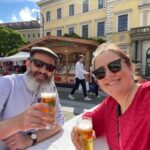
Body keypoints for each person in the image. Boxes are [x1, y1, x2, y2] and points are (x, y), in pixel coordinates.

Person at [71, 43, 150, 150]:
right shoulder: (111, 103)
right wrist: (78, 129)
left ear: (130, 67)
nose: (108, 75)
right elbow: (89, 117)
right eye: (100, 72)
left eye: (114, 66)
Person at [0, 47, 64, 150]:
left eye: (50, 67)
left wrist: (29, 139)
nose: (43, 70)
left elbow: (59, 122)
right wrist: (18, 123)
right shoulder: (6, 84)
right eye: (38, 63)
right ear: (28, 64)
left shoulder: (50, 88)